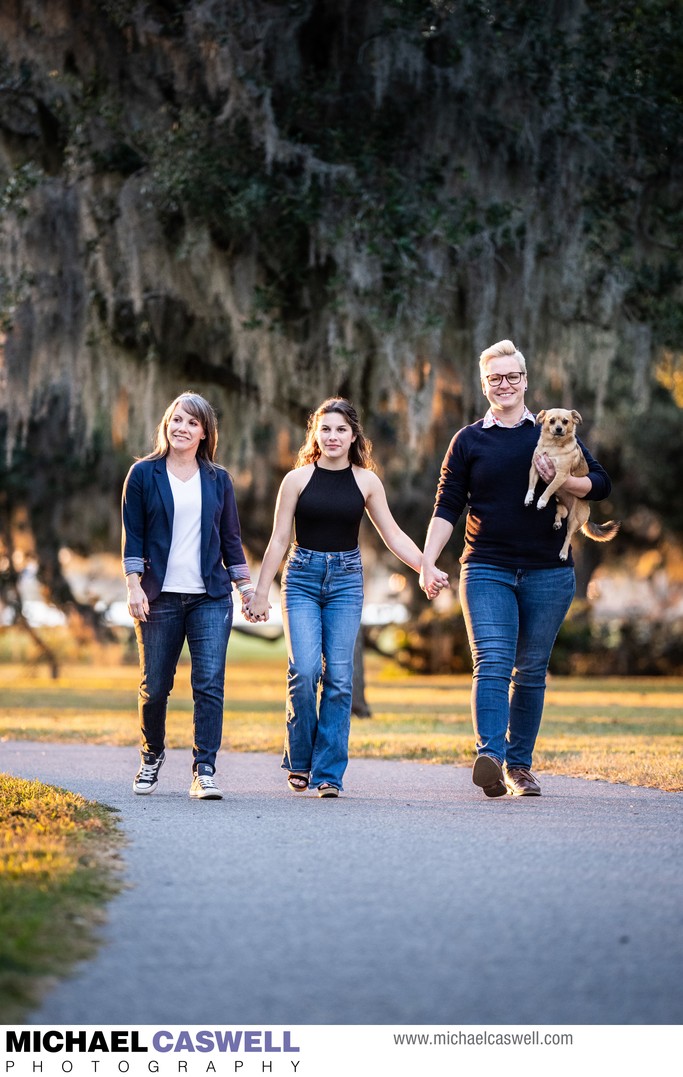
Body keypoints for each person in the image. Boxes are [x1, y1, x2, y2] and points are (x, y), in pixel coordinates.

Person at [420, 339, 613, 797]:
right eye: (495, 378)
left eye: (512, 376)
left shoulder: (552, 430)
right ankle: (490, 755)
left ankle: (519, 767)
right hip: (486, 566)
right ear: (484, 385)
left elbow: (601, 483)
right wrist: (428, 561)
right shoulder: (468, 440)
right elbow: (447, 504)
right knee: (491, 662)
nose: (504, 385)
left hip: (548, 571)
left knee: (530, 671)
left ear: (525, 381)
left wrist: (565, 480)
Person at [247, 397, 448, 797]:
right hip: (301, 578)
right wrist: (259, 592)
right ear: (315, 435)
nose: (333, 436)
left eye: (341, 429)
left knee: (339, 679)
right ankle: (300, 761)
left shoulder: (367, 481)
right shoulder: (297, 480)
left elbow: (392, 535)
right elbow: (278, 540)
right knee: (304, 672)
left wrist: (426, 567)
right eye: (325, 429)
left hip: (346, 582)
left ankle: (328, 774)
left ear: (354, 435)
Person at [121, 391, 254, 801]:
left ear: (204, 432)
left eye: (192, 422)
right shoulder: (143, 474)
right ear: (167, 423)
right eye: (176, 419)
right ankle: (151, 755)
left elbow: (230, 538)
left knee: (210, 683)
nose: (182, 427)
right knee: (155, 685)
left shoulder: (218, 479)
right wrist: (133, 584)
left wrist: (246, 587)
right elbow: (133, 535)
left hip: (210, 597)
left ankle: (204, 769)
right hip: (158, 596)